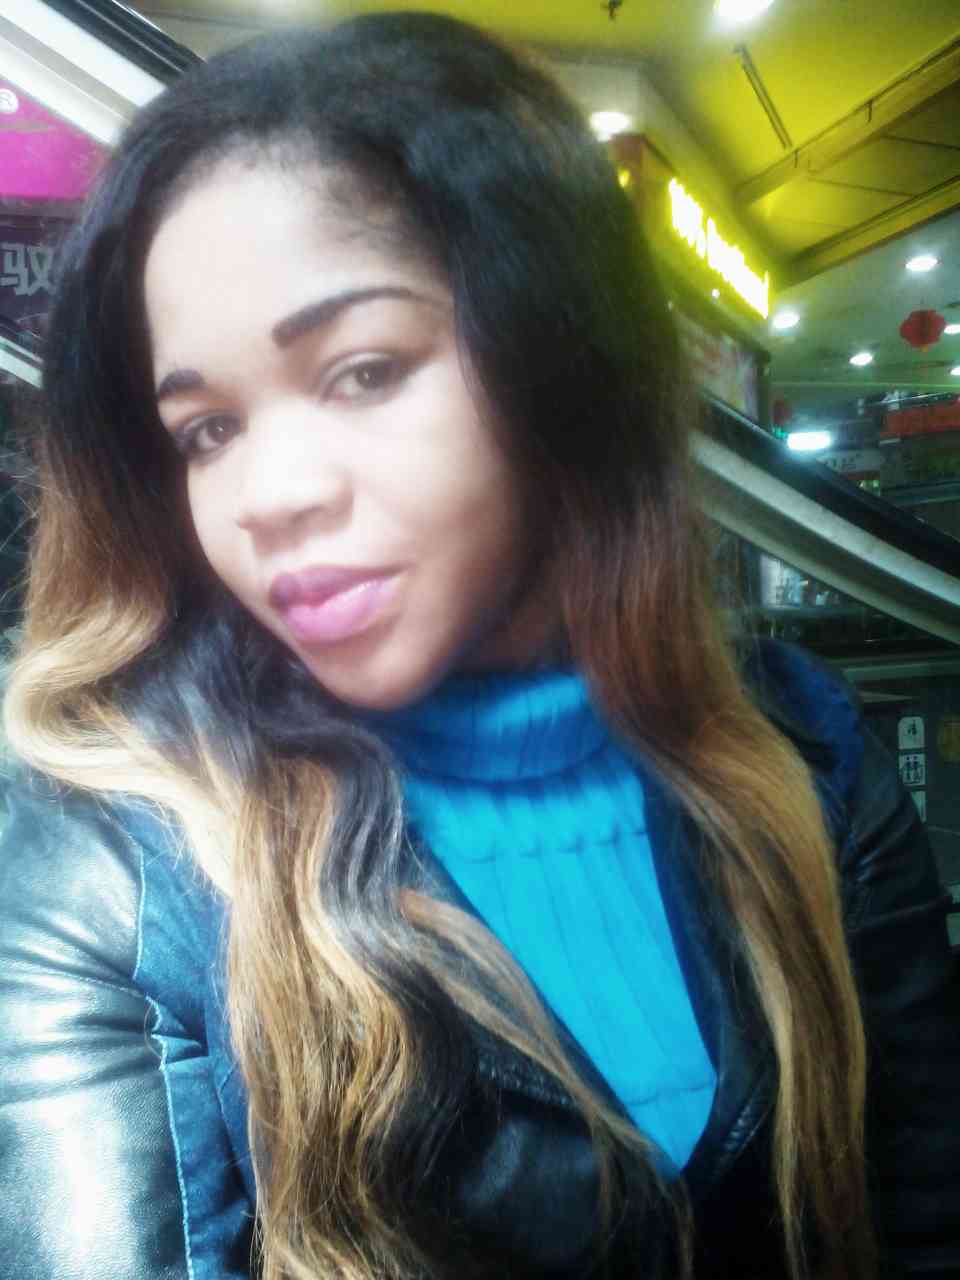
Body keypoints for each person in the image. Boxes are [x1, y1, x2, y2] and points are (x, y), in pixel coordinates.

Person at [0, 12, 957, 1280]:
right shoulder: (114, 859)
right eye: (207, 431)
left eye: (362, 370)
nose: (269, 496)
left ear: (558, 357)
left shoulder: (808, 759)